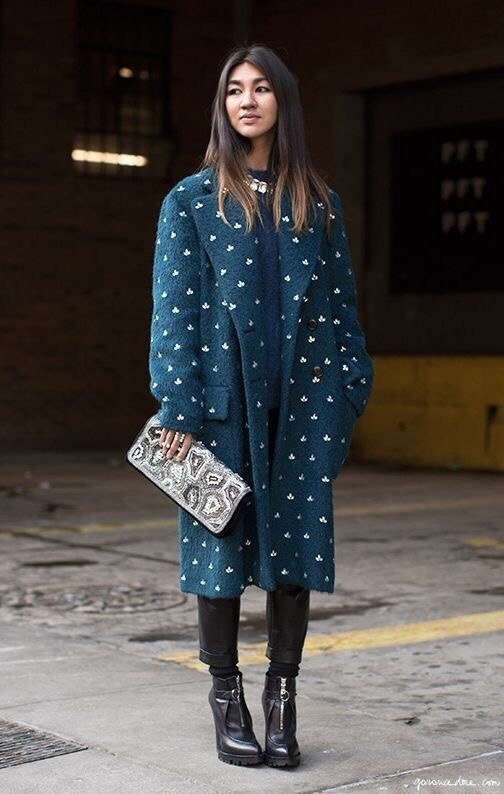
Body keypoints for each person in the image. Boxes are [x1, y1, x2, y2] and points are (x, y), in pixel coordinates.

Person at [148, 44, 373, 768]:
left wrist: (349, 391)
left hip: (303, 407)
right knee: (218, 550)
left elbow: (343, 309)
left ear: (283, 100)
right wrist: (179, 407)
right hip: (220, 408)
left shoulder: (318, 203)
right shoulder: (191, 200)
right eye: (234, 90)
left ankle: (282, 698)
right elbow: (173, 315)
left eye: (261, 88)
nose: (247, 100)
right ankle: (226, 697)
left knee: (295, 553)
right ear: (223, 105)